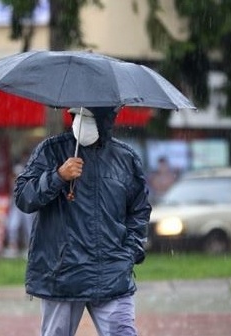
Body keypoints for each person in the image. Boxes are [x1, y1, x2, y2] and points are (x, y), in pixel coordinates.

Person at [14, 106, 151, 336]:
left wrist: (129, 253)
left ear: (106, 119)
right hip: (62, 275)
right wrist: (57, 177)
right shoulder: (51, 151)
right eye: (76, 115)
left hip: (111, 274)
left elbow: (139, 211)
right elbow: (23, 197)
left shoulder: (125, 158)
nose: (80, 122)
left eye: (87, 116)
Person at [4, 152, 36, 258]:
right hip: (16, 206)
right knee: (12, 226)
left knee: (29, 227)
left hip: (27, 206)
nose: (16, 177)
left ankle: (29, 249)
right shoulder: (13, 183)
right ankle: (13, 247)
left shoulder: (29, 180)